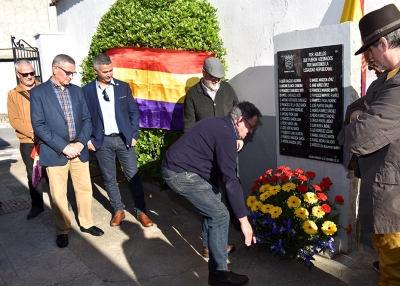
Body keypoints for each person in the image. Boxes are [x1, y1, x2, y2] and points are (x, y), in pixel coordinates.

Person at [337, 4, 400, 285]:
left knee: (399, 277)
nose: (370, 58)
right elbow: (353, 109)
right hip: (386, 199)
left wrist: (362, 117)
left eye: (370, 50)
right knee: (392, 272)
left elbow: (360, 137)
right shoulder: (392, 76)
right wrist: (360, 114)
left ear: (384, 44)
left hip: (399, 205)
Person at [162, 101, 260, 285]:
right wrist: (244, 221)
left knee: (214, 201)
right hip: (179, 174)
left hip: (182, 169)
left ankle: (210, 246)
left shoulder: (222, 125)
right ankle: (218, 273)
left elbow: (223, 173)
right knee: (220, 214)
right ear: (240, 120)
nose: (251, 132)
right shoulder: (225, 134)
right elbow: (230, 179)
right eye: (250, 126)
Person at [31, 54, 104, 248]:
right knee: (59, 195)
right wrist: (64, 147)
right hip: (56, 152)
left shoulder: (77, 92)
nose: (71, 77)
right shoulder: (39, 93)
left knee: (84, 189)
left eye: (73, 73)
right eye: (67, 72)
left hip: (79, 150)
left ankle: (87, 223)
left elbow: (87, 120)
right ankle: (62, 230)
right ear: (55, 69)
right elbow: (38, 125)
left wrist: (80, 143)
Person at [82, 54, 153, 228]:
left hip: (124, 139)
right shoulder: (86, 91)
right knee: (109, 178)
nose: (109, 74)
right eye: (105, 71)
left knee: (133, 176)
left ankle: (141, 210)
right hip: (102, 141)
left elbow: (133, 112)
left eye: (111, 70)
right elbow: (84, 117)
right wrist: (89, 139)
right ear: (95, 71)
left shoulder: (122, 87)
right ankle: (118, 210)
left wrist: (134, 134)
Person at [183, 57, 242, 257]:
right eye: (213, 78)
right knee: (212, 199)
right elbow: (189, 128)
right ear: (204, 73)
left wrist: (238, 136)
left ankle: (233, 224)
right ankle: (211, 246)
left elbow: (237, 114)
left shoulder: (227, 89)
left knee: (231, 188)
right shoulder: (193, 95)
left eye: (219, 78)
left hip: (226, 153)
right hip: (205, 157)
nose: (217, 81)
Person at [7, 60, 45, 219]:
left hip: (47, 139)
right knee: (33, 175)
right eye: (25, 74)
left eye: (32, 73)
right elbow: (14, 119)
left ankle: (61, 202)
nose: (30, 76)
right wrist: (31, 133)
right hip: (28, 141)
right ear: (18, 75)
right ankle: (37, 205)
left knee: (53, 172)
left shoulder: (44, 88)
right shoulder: (13, 94)